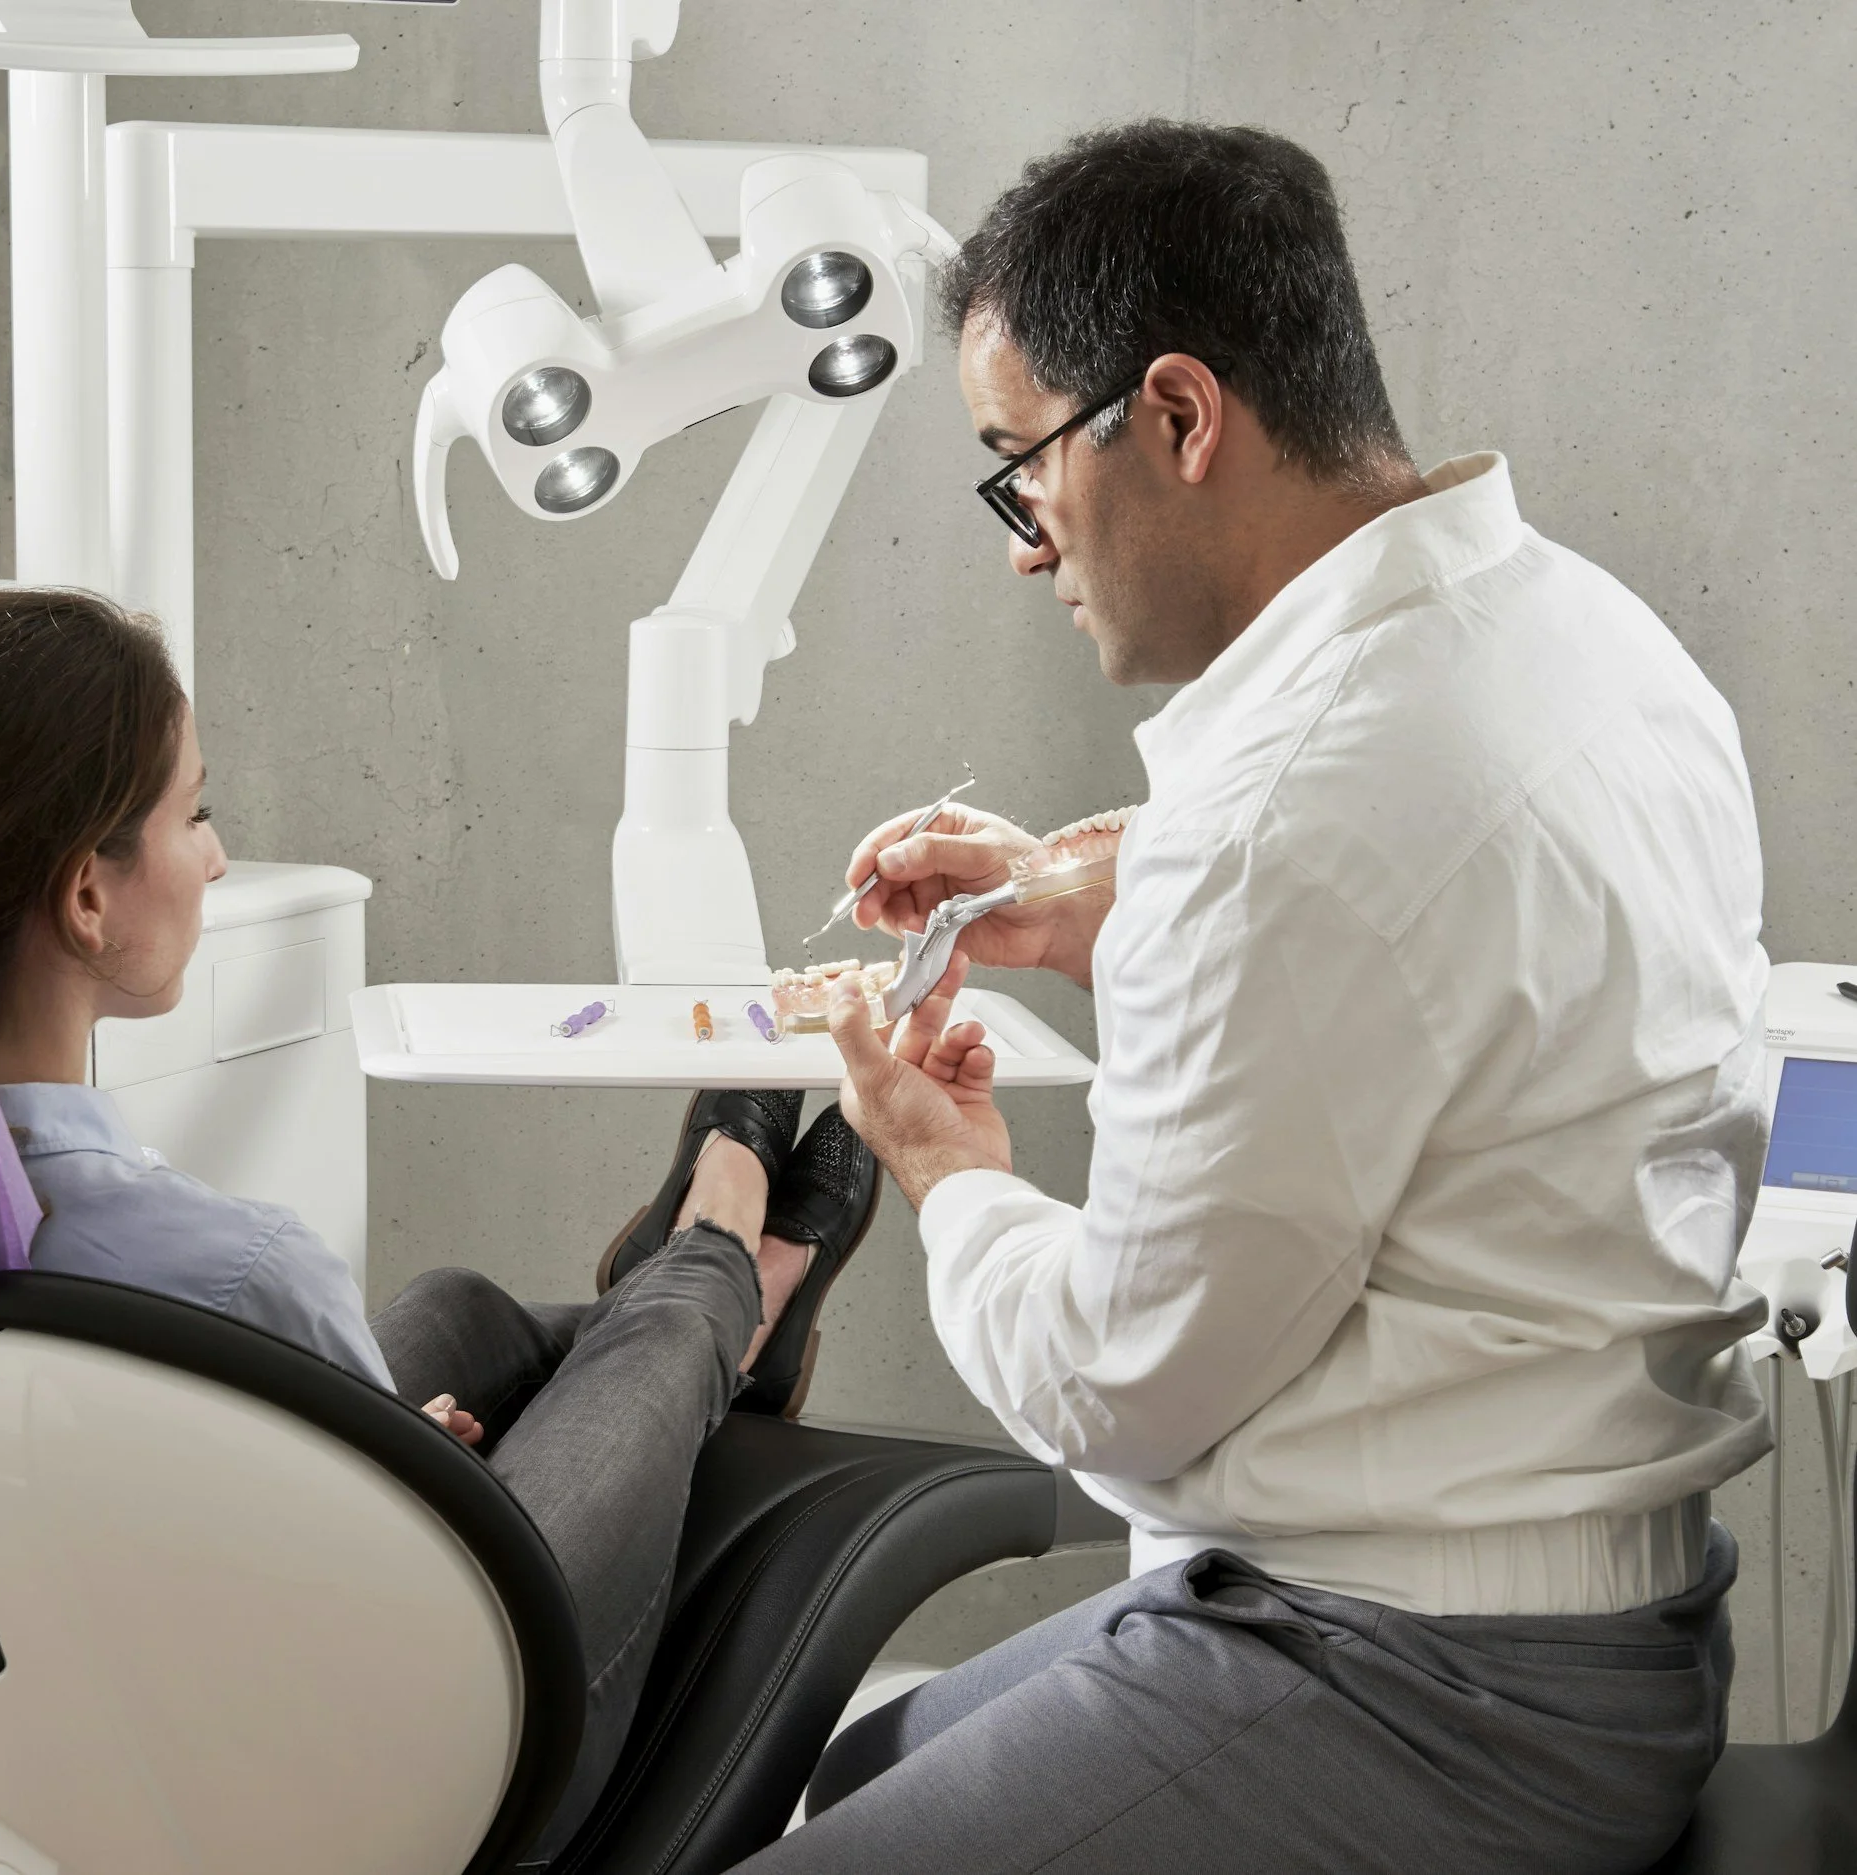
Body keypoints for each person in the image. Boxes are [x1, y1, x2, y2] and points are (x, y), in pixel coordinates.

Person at [738, 121, 1771, 1872]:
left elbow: (1118, 1387)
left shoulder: (1287, 824)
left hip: (1428, 1689)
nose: (1024, 546)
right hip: (1614, 1626)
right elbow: (1433, 905)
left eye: (1021, 468)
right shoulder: (1590, 636)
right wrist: (1105, 893)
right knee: (874, 1766)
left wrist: (943, 1161)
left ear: (1181, 416)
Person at [0, 588, 882, 1851]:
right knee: (656, 1335)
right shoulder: (231, 1275)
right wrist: (404, 1498)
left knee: (463, 1310)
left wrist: (365, 1470)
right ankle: (729, 1261)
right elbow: (396, 1600)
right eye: (193, 812)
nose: (215, 856)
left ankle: (694, 1277)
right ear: (87, 898)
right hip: (400, 1783)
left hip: (82, 1732)